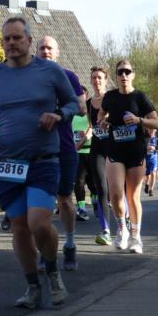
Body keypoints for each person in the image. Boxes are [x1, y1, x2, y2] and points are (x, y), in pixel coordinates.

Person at [0, 17, 79, 308]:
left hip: (43, 160)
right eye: (7, 39)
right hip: (8, 163)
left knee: (39, 223)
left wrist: (58, 116)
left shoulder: (50, 71)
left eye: (17, 38)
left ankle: (54, 274)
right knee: (19, 227)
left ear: (29, 41)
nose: (11, 43)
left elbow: (73, 104)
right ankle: (32, 287)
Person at [36, 36, 88, 271]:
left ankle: (69, 243)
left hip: (65, 147)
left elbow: (81, 107)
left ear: (57, 53)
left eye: (50, 48)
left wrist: (57, 111)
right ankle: (45, 250)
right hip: (37, 149)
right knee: (42, 204)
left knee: (65, 200)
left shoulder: (69, 76)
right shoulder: (29, 78)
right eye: (42, 48)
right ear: (35, 51)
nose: (46, 51)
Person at [99, 60, 158, 253]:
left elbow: (156, 123)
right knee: (116, 193)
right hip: (115, 149)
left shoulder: (140, 97)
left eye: (127, 72)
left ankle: (136, 237)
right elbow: (100, 117)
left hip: (135, 150)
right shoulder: (110, 97)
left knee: (133, 196)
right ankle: (122, 229)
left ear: (133, 74)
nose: (123, 75)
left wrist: (138, 120)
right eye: (120, 72)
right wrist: (103, 122)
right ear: (116, 76)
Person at [85, 67, 113, 245]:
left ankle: (125, 219)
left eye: (100, 78)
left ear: (105, 79)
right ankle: (106, 230)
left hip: (114, 146)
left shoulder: (112, 98)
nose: (96, 81)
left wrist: (108, 120)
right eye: (94, 78)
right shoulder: (88, 103)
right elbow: (91, 126)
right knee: (101, 187)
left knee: (117, 189)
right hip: (97, 147)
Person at [72, 95, 92, 223]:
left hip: (90, 151)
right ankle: (82, 209)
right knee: (79, 182)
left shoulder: (89, 114)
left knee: (93, 183)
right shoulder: (71, 115)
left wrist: (82, 141)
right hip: (77, 153)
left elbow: (92, 129)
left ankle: (96, 202)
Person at [144, 129, 158, 196]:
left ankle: (151, 190)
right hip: (146, 158)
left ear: (155, 131)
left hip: (154, 158)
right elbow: (141, 147)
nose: (151, 132)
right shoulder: (145, 138)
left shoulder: (157, 138)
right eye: (150, 130)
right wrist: (146, 148)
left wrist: (155, 148)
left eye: (152, 130)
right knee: (147, 175)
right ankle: (147, 184)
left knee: (153, 173)